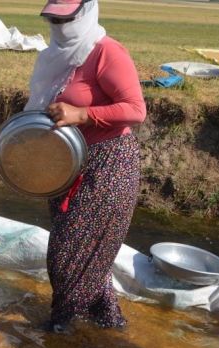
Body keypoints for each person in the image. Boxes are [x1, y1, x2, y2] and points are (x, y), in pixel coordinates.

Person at [26, 0, 146, 330]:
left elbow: (136, 109)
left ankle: (63, 327)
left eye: (66, 19)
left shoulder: (106, 52)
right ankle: (108, 320)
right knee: (86, 252)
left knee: (65, 256)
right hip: (65, 164)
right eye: (53, 19)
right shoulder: (56, 57)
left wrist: (83, 114)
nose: (59, 26)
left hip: (107, 165)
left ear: (87, 12)